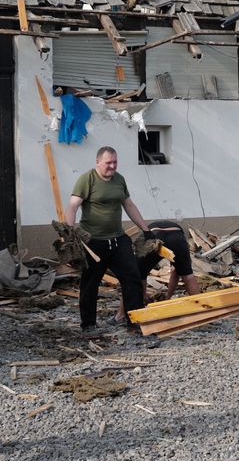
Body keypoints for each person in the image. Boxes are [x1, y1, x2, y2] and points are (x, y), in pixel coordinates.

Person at [65, 146, 155, 340]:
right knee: (90, 283)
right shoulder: (87, 179)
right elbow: (73, 206)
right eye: (108, 163)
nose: (112, 166)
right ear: (98, 162)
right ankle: (88, 325)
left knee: (132, 277)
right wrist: (69, 232)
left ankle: (134, 322)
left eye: (115, 162)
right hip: (94, 242)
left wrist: (146, 230)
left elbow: (129, 205)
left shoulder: (119, 179)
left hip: (118, 239)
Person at [137, 220, 202, 299]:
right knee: (188, 276)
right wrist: (169, 296)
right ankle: (200, 304)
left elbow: (139, 275)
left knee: (140, 274)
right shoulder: (180, 236)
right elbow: (175, 271)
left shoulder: (145, 233)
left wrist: (143, 295)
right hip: (176, 238)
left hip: (154, 237)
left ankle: (142, 301)